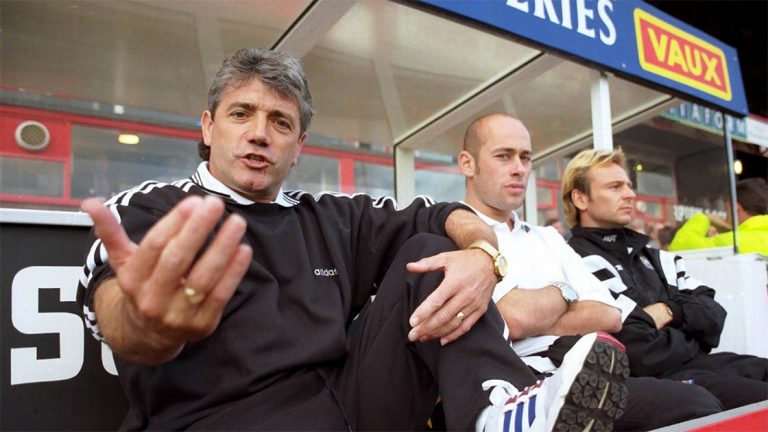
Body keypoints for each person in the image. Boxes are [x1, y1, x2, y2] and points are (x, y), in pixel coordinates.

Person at [76, 48, 614, 432]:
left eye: (280, 122)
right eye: (241, 114)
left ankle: (498, 417)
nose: (260, 133)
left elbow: (444, 213)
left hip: (358, 406)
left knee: (429, 256)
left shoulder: (330, 216)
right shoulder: (152, 207)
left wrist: (483, 255)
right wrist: (150, 323)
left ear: (299, 145)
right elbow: (117, 311)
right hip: (224, 419)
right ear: (208, 127)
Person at [459, 114, 725, 431]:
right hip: (521, 382)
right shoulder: (456, 230)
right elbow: (513, 317)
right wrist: (567, 294)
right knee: (696, 403)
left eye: (526, 157)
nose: (519, 168)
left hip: (588, 367)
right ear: (468, 164)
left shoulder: (547, 237)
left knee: (714, 397)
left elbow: (611, 315)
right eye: (503, 156)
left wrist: (539, 308)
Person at [562, 148, 768, 411]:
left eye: (628, 185)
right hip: (654, 383)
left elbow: (714, 315)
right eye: (615, 187)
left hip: (699, 365)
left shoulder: (658, 257)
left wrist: (669, 311)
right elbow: (636, 348)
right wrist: (691, 335)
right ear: (580, 198)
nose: (630, 194)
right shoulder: (573, 260)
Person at [669, 177, 768, 256]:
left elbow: (679, 247)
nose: (724, 217)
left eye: (726, 210)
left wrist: (705, 218)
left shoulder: (733, 241)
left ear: (736, 208)